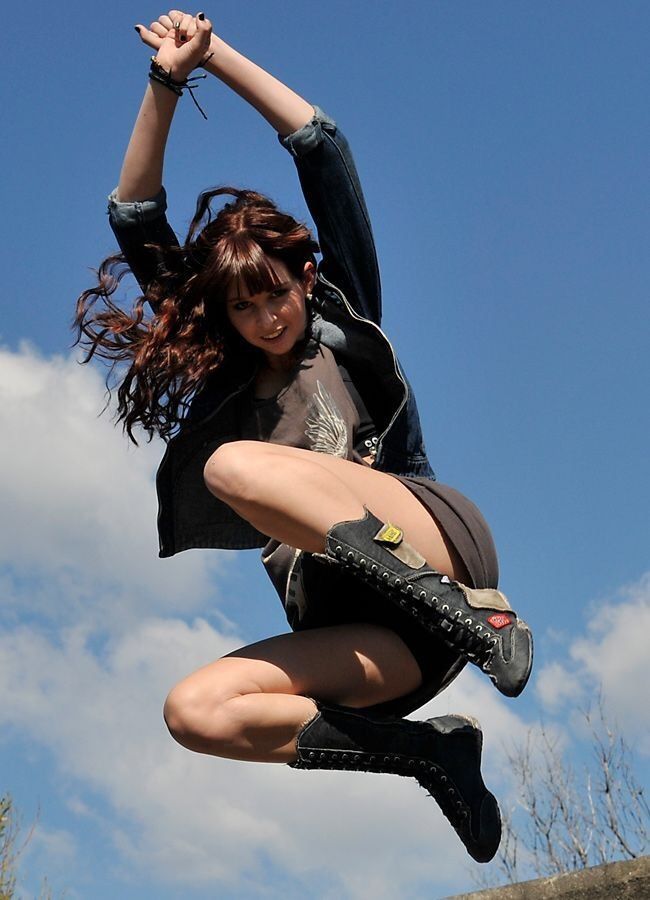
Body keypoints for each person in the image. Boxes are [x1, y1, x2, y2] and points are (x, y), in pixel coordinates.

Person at [75, 10, 533, 863]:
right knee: (195, 711)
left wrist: (213, 57)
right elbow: (135, 214)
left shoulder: (343, 315)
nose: (265, 319)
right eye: (244, 308)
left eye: (276, 294)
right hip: (394, 650)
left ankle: (469, 608)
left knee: (236, 466)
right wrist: (162, 84)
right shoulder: (229, 377)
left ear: (306, 277)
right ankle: (432, 754)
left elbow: (321, 147)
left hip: (441, 548)